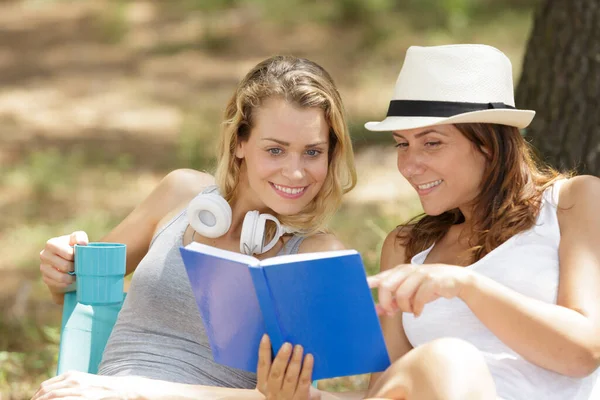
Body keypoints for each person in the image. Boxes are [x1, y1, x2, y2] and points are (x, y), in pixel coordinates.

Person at [34, 55, 358, 399]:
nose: (295, 172)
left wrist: (133, 390)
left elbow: (292, 398)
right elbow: (80, 291)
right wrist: (60, 267)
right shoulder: (180, 193)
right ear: (239, 143)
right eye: (276, 150)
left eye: (312, 152)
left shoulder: (316, 256)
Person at [362, 44, 600, 400]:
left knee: (448, 358)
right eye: (402, 145)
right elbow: (385, 389)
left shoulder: (573, 202)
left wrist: (464, 285)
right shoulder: (406, 247)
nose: (409, 166)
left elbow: (584, 353)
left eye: (431, 143)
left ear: (489, 142)